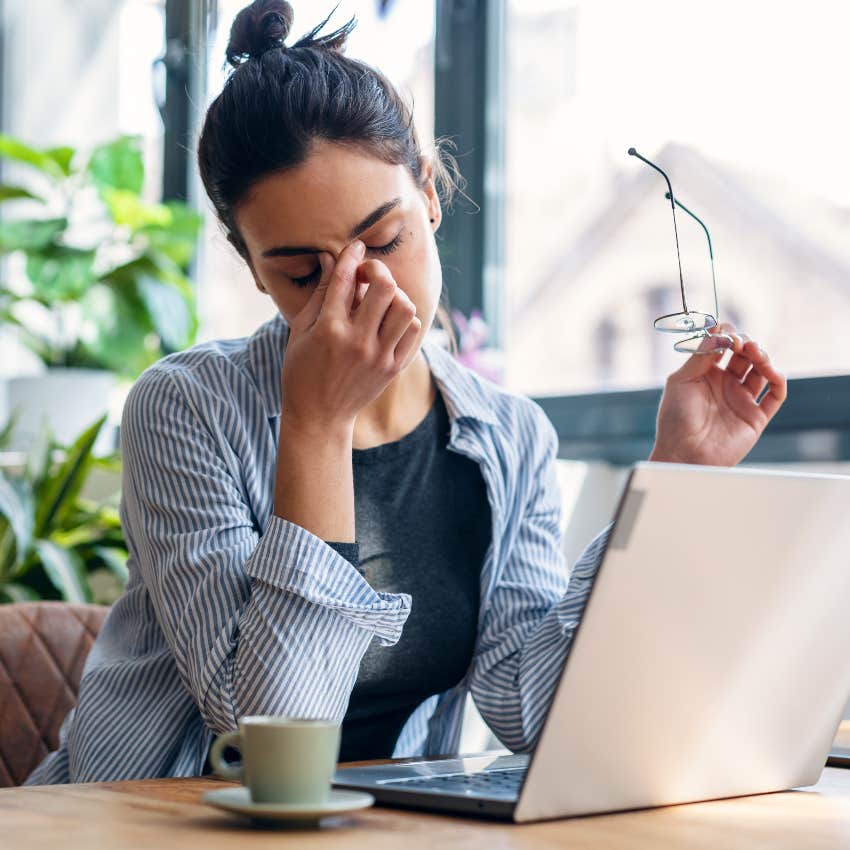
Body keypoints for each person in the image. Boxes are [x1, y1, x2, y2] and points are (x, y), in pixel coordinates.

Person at [25, 0, 786, 785]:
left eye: (384, 239)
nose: (363, 288)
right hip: (147, 821)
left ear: (428, 190)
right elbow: (274, 741)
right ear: (252, 267)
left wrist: (674, 473)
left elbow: (530, 706)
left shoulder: (510, 437)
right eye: (302, 273)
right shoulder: (186, 410)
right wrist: (317, 427)